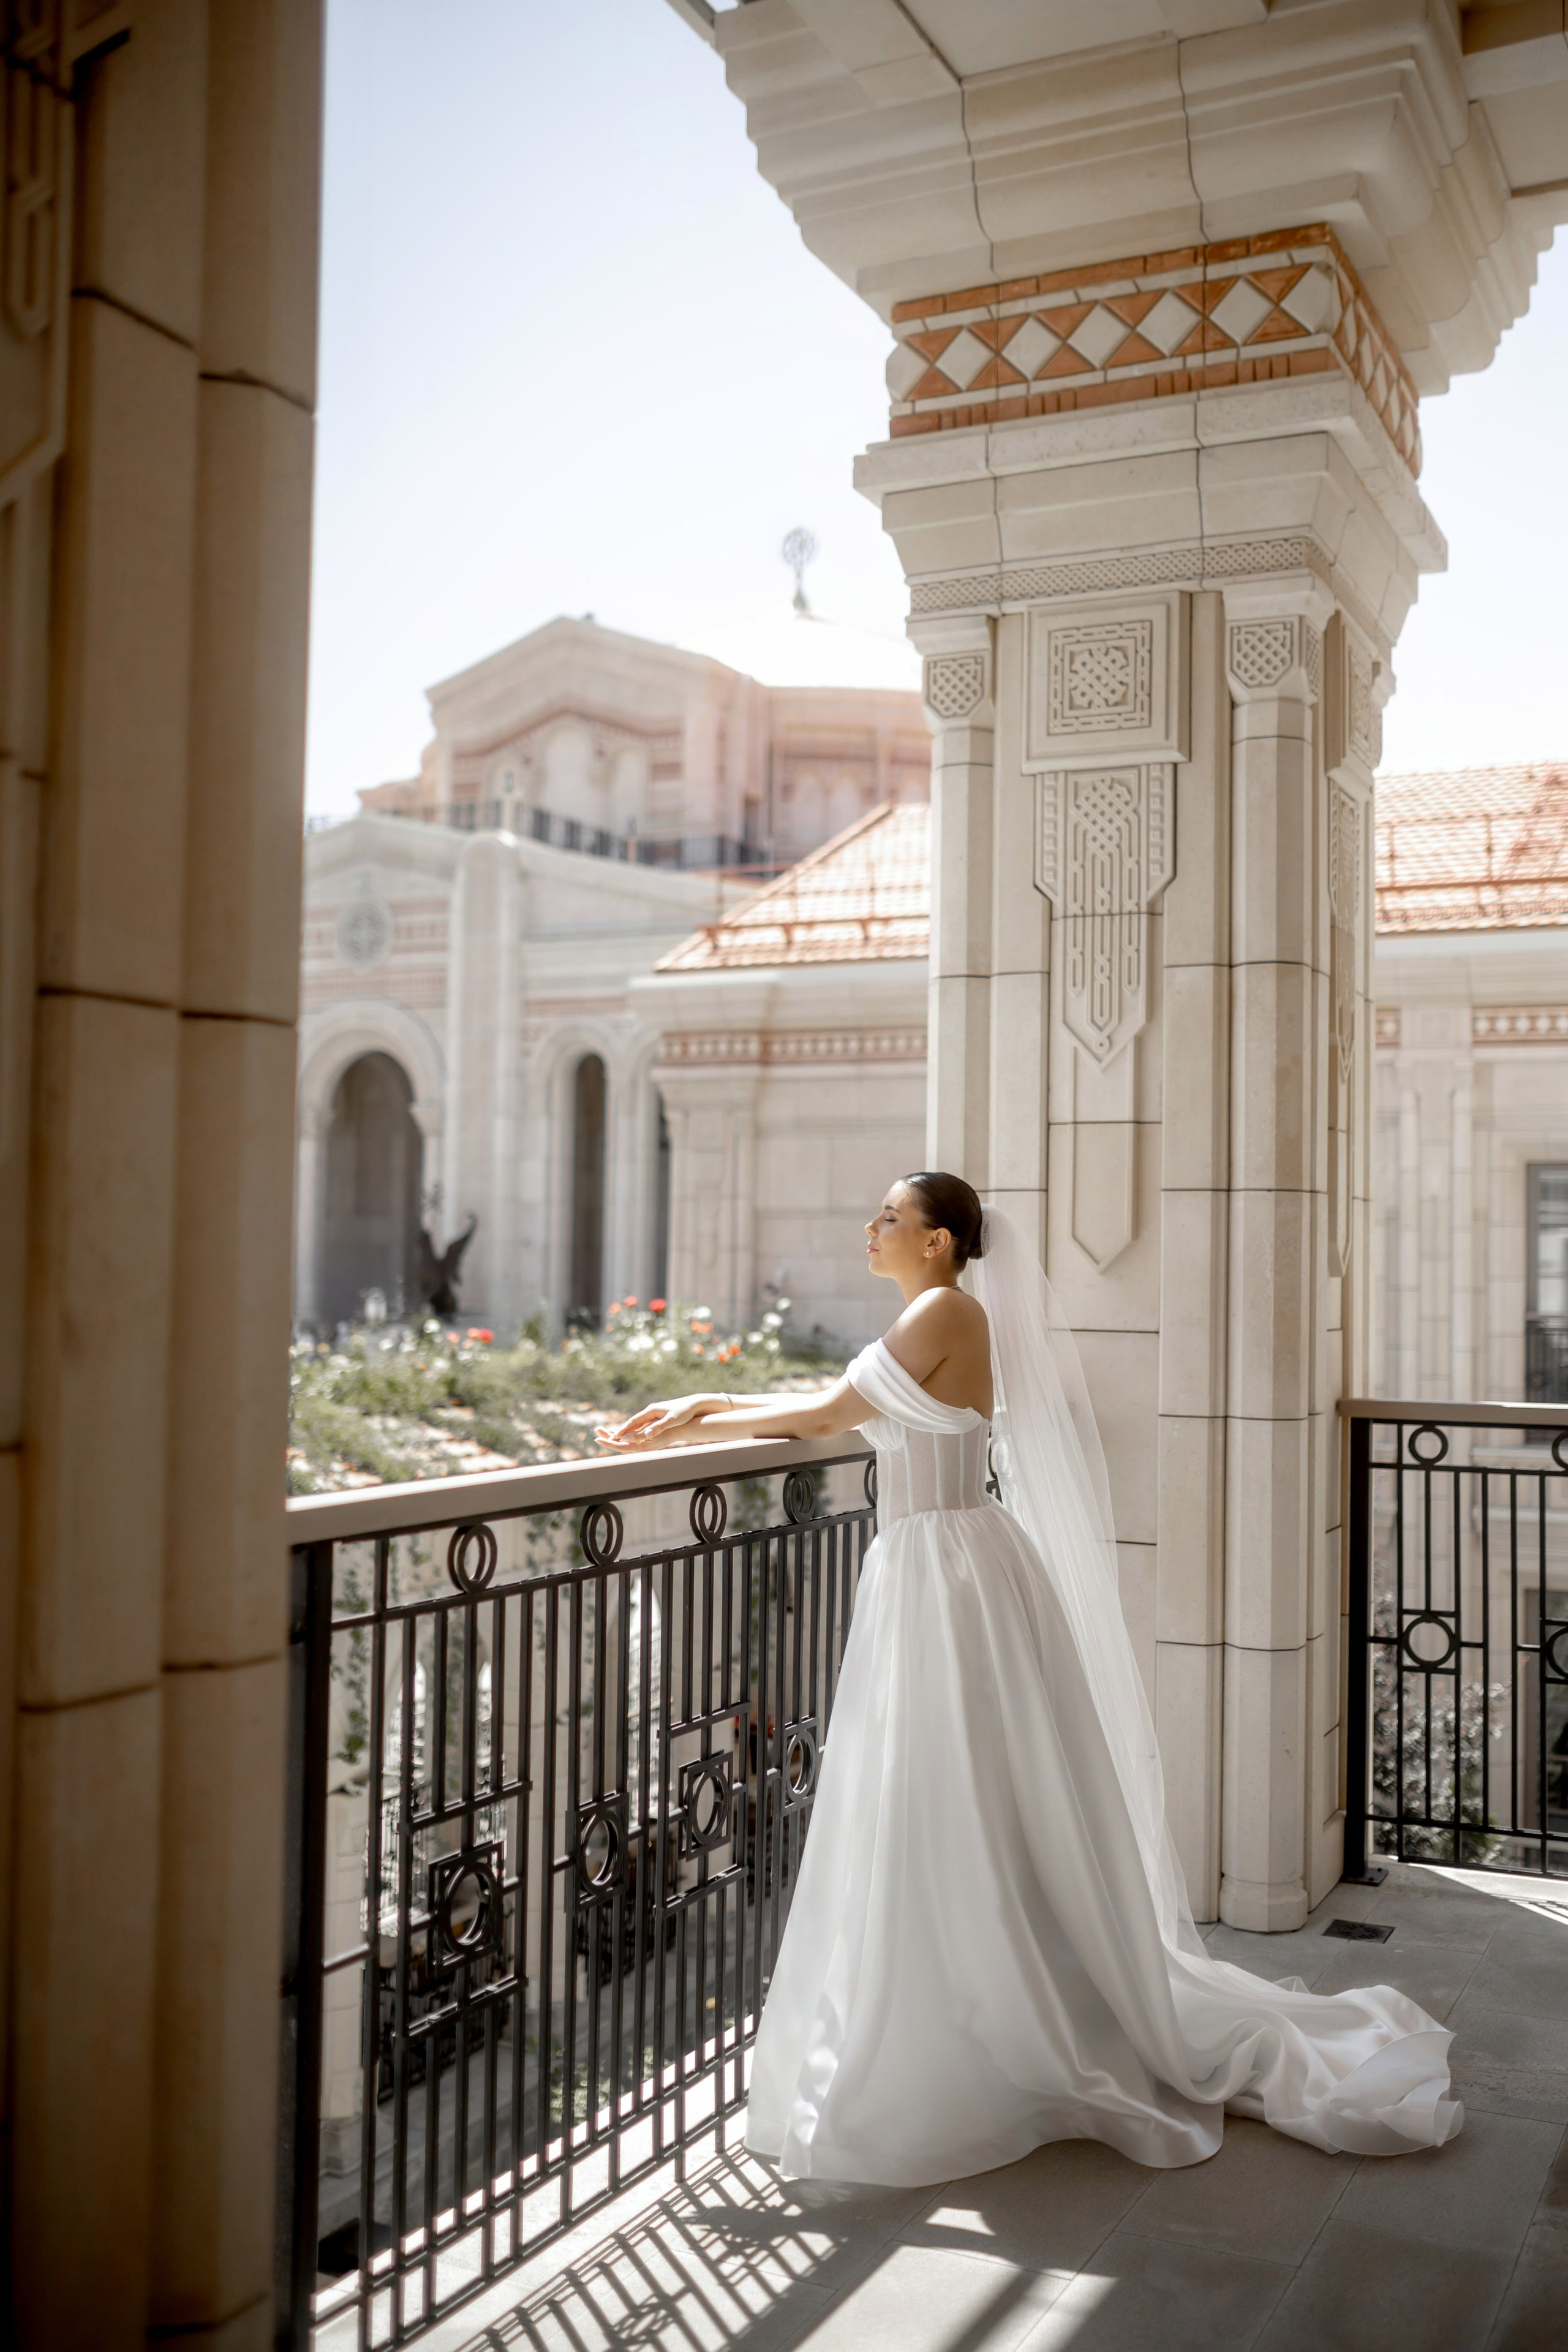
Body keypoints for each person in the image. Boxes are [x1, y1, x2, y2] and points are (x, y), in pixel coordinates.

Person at [597, 1173, 1460, 2182]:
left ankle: (986, 2012)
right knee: (954, 1788)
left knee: (948, 1784)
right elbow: (841, 1408)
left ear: (937, 1241)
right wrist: (706, 1402)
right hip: (940, 1562)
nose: (870, 1226)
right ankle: (967, 1991)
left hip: (943, 1571)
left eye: (890, 1216)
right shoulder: (936, 1314)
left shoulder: (943, 1311)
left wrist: (697, 1419)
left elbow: (826, 1413)